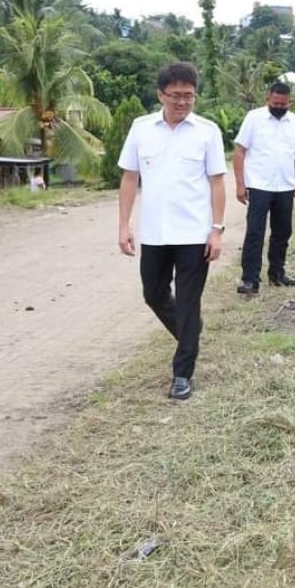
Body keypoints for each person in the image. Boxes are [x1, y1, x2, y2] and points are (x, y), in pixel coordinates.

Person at [117, 62, 227, 400]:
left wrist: (217, 229)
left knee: (189, 302)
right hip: (154, 233)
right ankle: (189, 333)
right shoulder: (141, 129)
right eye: (175, 96)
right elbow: (129, 178)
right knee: (154, 294)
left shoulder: (207, 131)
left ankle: (182, 373)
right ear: (160, 95)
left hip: (194, 233)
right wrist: (124, 225)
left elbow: (217, 182)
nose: (182, 102)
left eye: (189, 96)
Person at [232, 82, 295, 295]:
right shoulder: (254, 118)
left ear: (289, 103)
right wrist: (240, 184)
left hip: (285, 186)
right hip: (258, 185)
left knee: (282, 232)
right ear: (268, 99)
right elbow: (239, 151)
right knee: (255, 233)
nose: (279, 106)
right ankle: (249, 280)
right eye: (275, 103)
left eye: (283, 104)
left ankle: (277, 274)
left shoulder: (294, 122)